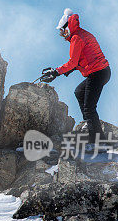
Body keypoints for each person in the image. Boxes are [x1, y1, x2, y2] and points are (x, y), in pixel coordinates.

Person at [41, 8, 111, 145]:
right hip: (101, 72)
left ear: (67, 27)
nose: (62, 34)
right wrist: (62, 72)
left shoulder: (76, 38)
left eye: (62, 30)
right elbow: (81, 60)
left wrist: (56, 72)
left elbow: (73, 62)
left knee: (89, 107)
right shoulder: (80, 34)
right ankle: (90, 126)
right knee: (79, 92)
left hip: (97, 73)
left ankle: (98, 142)